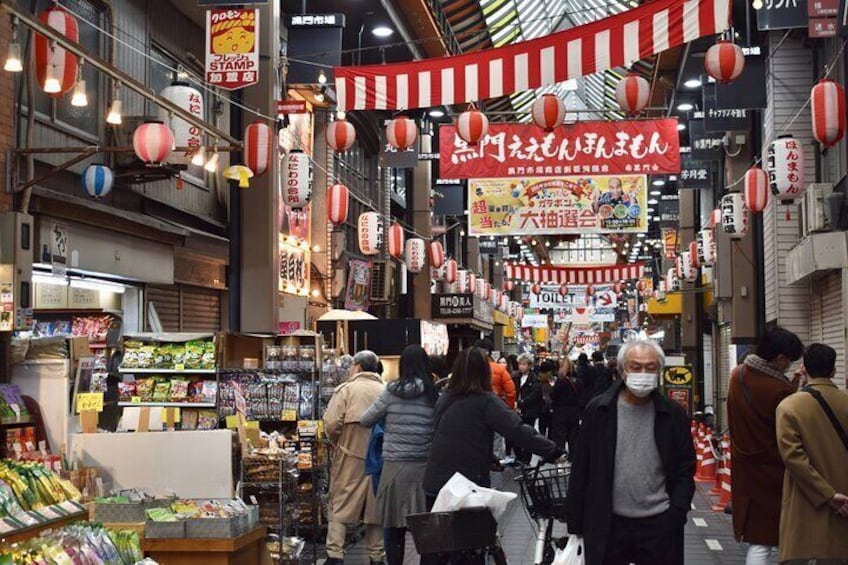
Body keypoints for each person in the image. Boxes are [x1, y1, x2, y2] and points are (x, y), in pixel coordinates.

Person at [566, 339, 696, 565]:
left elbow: (685, 467)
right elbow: (581, 468)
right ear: (622, 370)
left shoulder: (673, 414)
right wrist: (576, 523)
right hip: (608, 524)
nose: (643, 373)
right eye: (635, 367)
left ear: (659, 371)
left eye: (650, 367)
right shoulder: (598, 410)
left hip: (659, 524)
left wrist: (676, 512)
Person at [424, 347, 561, 497]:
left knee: (440, 521)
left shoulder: (445, 396)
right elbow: (516, 429)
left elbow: (451, 435)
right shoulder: (485, 400)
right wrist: (553, 451)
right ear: (485, 372)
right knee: (476, 520)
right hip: (466, 485)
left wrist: (489, 459)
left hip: (436, 482)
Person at [727, 326, 804, 565]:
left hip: (745, 467)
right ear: (780, 358)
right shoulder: (778, 390)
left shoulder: (738, 375)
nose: (789, 365)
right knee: (771, 539)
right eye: (789, 361)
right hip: (773, 471)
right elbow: (786, 424)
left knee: (758, 537)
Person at [361, 345, 437, 565]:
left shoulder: (391, 391)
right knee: (426, 527)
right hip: (424, 467)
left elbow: (366, 419)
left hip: (393, 467)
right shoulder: (433, 394)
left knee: (393, 526)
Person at [776, 343, 848, 564]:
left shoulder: (789, 407)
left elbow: (794, 458)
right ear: (834, 370)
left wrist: (827, 495)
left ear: (804, 368)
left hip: (805, 502)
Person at [323, 350, 386, 565]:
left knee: (340, 504)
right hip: (379, 459)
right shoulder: (386, 390)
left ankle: (335, 555)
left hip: (349, 456)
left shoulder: (346, 391)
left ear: (358, 367)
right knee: (375, 508)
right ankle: (376, 556)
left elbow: (331, 423)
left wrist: (337, 442)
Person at [512, 353, 544, 464]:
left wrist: (521, 403)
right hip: (516, 410)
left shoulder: (534, 379)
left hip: (529, 411)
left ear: (529, 365)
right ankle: (519, 457)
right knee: (515, 436)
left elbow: (535, 395)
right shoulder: (515, 377)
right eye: (520, 364)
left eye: (524, 364)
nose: (521, 366)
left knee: (527, 435)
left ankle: (526, 460)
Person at [550, 357, 581, 459]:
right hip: (574, 412)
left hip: (560, 412)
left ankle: (561, 458)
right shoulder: (577, 381)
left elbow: (553, 395)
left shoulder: (561, 381)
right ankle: (574, 459)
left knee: (560, 437)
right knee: (573, 438)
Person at [474, 339, 516, 410]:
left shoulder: (469, 368)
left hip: (474, 409)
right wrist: (508, 409)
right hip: (494, 408)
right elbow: (511, 393)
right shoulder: (500, 369)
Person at [537, 360, 555, 438]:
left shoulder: (537, 379)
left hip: (541, 407)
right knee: (551, 429)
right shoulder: (553, 380)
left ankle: (542, 446)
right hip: (552, 407)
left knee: (542, 429)